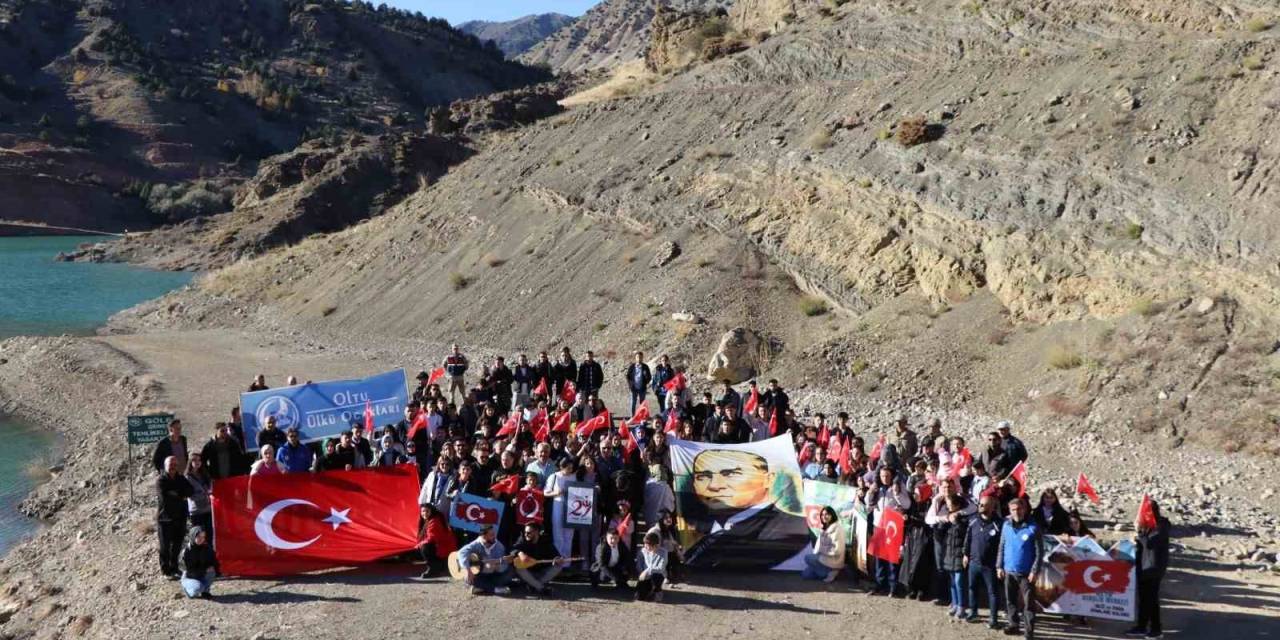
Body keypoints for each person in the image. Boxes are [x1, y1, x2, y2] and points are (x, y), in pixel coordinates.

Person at [681, 449, 810, 571]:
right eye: (703, 476)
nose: (714, 485)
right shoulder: (704, 525)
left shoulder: (793, 527)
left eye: (730, 474)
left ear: (768, 480)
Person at [997, 497, 1041, 639]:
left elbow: (1040, 552)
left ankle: (1029, 631)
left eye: (1019, 509)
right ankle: (1013, 625)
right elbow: (1001, 547)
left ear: (1025, 509)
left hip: (1026, 573)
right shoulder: (1006, 525)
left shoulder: (1033, 528)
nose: (1016, 512)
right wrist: (999, 566)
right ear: (1010, 511)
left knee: (1028, 604)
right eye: (1013, 510)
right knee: (1010, 601)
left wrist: (1035, 570)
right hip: (1009, 570)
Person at [865, 465, 911, 596]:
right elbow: (868, 504)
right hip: (879, 525)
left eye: (887, 476)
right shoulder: (877, 488)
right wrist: (870, 492)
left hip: (893, 527)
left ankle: (893, 586)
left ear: (892, 476)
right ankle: (880, 585)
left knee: (892, 559)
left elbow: (907, 504)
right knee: (879, 558)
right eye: (882, 476)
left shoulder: (898, 486)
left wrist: (897, 494)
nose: (885, 478)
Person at [1129, 500, 1170, 639]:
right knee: (1143, 598)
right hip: (1142, 566)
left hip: (1154, 567)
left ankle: (1156, 629)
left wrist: (1138, 534)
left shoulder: (1162, 525)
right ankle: (1141, 626)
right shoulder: (1145, 524)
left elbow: (1150, 542)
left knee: (1151, 599)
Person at [963, 495, 1003, 628]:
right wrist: (965, 554)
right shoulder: (973, 520)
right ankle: (973, 612)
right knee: (972, 588)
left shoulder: (999, 524)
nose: (980, 506)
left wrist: (999, 564)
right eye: (980, 504)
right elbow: (968, 538)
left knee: (992, 592)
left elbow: (1002, 546)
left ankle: (993, 619)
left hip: (990, 565)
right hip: (974, 562)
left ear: (992, 507)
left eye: (984, 504)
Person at [156, 456, 193, 578]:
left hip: (180, 517)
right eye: (171, 465)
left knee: (177, 545)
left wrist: (177, 493)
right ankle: (166, 571)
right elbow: (165, 498)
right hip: (165, 519)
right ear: (165, 465)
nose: (173, 467)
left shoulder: (181, 478)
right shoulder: (161, 480)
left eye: (175, 465)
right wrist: (181, 495)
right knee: (165, 546)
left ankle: (174, 568)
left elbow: (190, 491)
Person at [511, 523, 570, 596]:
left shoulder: (546, 541)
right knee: (519, 569)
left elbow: (556, 555)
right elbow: (512, 549)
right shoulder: (522, 539)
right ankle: (541, 587)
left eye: (528, 532)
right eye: (525, 532)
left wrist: (558, 559)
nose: (526, 534)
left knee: (558, 567)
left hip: (542, 573)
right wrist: (520, 553)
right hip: (528, 573)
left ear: (536, 532)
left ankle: (533, 584)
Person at [456, 525, 513, 596]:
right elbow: (461, 552)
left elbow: (503, 567)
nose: (494, 536)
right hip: (480, 574)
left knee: (509, 574)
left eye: (494, 534)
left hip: (493, 574)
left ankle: (482, 587)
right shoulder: (476, 544)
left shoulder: (499, 547)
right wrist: (468, 570)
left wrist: (498, 566)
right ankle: (495, 589)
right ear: (483, 536)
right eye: (491, 535)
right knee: (467, 577)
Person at [940, 494, 971, 620]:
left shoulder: (964, 519)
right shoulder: (948, 518)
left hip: (958, 555)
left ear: (957, 505)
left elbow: (965, 536)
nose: (948, 507)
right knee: (952, 582)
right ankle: (954, 603)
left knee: (959, 582)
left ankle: (962, 605)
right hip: (949, 554)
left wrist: (956, 521)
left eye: (950, 504)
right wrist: (945, 521)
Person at [543, 458, 578, 558]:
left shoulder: (573, 476)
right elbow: (545, 492)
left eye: (571, 468)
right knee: (558, 532)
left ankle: (566, 561)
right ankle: (558, 560)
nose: (570, 470)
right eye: (568, 468)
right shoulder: (554, 476)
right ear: (562, 467)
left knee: (569, 534)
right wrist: (556, 493)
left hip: (571, 506)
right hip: (558, 504)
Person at [801, 506, 845, 582]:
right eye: (822, 515)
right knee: (805, 575)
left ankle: (833, 571)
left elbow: (838, 550)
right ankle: (827, 573)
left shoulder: (837, 529)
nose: (824, 517)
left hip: (832, 560)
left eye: (827, 514)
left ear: (832, 515)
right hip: (823, 557)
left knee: (807, 558)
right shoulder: (824, 529)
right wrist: (818, 553)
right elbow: (818, 547)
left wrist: (821, 550)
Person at [415, 504, 458, 578]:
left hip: (444, 548)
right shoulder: (431, 519)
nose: (424, 513)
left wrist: (419, 545)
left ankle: (433, 568)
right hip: (441, 547)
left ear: (432, 511)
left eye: (427, 511)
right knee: (422, 546)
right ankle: (439, 565)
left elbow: (432, 538)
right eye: (423, 511)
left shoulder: (434, 521)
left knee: (424, 547)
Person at [178, 526, 217, 599]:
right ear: (193, 535)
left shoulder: (206, 548)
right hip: (189, 577)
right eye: (199, 536)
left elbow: (213, 561)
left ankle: (205, 591)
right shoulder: (186, 551)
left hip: (201, 574)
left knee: (211, 572)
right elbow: (188, 571)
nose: (201, 539)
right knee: (197, 588)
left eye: (203, 537)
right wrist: (204, 570)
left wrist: (212, 567)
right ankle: (187, 590)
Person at [184, 452, 214, 545]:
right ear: (190, 462)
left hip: (208, 509)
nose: (197, 462)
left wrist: (210, 491)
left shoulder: (204, 474)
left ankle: (209, 556)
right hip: (196, 511)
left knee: (210, 534)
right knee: (198, 537)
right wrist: (205, 495)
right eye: (194, 460)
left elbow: (210, 487)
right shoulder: (187, 478)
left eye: (199, 460)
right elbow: (190, 495)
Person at [635, 531, 669, 601]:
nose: (646, 547)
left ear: (655, 545)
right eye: (645, 544)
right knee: (639, 596)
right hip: (644, 576)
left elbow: (661, 568)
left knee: (656, 576)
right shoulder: (642, 551)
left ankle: (657, 591)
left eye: (648, 545)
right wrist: (642, 573)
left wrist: (647, 571)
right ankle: (648, 590)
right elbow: (639, 564)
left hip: (657, 575)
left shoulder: (663, 552)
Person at [624, 351, 652, 415]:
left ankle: (641, 416)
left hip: (642, 388)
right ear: (635, 358)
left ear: (642, 358)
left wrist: (646, 377)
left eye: (640, 357)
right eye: (637, 357)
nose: (639, 358)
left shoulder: (645, 367)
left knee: (642, 403)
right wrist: (630, 385)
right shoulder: (632, 367)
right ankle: (632, 417)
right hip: (633, 388)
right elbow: (628, 376)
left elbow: (649, 377)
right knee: (633, 403)